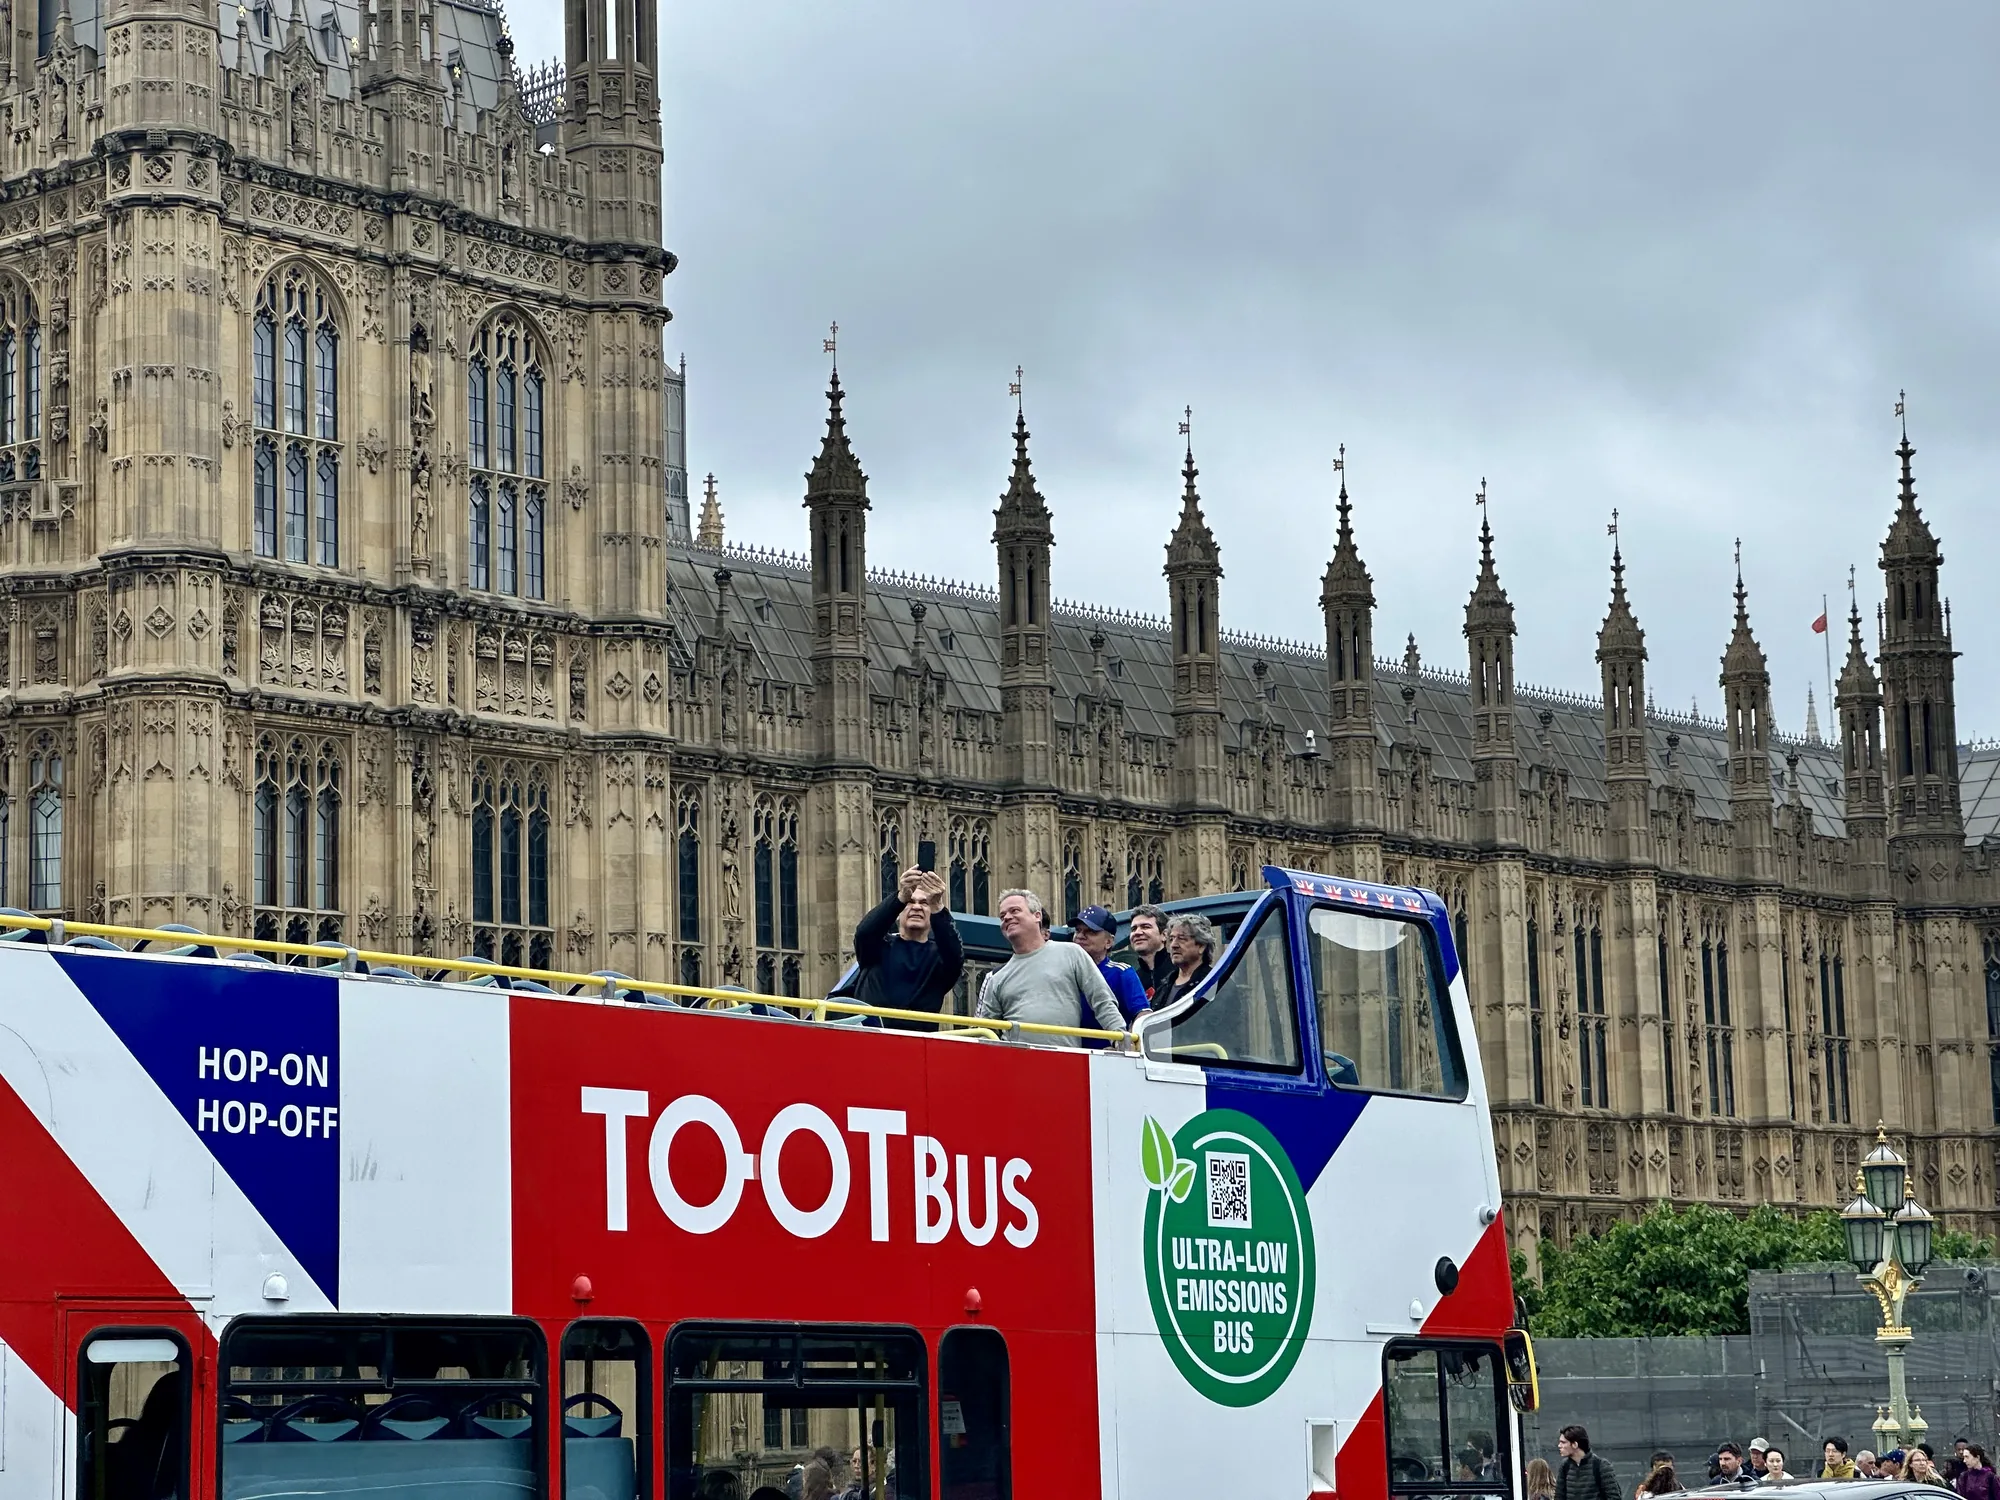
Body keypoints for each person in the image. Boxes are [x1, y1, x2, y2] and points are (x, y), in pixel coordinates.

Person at [975, 889, 1126, 1044]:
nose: (1007, 917)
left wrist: (1120, 1040)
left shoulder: (1071, 953)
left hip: (1066, 1061)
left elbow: (1102, 1000)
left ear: (1037, 916)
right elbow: (984, 1032)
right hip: (1018, 1063)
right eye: (1002, 916)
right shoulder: (996, 978)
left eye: (1015, 911)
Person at [849, 868, 963, 1028]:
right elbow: (864, 932)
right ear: (898, 912)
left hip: (917, 1045)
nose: (916, 907)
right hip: (872, 1039)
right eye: (910, 902)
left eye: (924, 903)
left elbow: (955, 955)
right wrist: (901, 896)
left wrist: (937, 905)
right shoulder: (877, 948)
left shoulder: (939, 959)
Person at [1071, 906, 1151, 1028]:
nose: (1080, 936)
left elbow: (1142, 1015)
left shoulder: (1121, 973)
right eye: (1078, 930)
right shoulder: (1064, 971)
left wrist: (1126, 1044)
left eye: (1091, 932)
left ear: (1108, 942)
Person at [1156, 912, 1219, 1008]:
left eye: (1181, 939)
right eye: (1171, 939)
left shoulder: (1214, 983)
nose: (1173, 945)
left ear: (1201, 945)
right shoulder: (1165, 984)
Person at [1126, 903, 1174, 1003]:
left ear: (1164, 935)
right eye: (1134, 929)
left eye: (1145, 927)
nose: (1137, 932)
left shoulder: (1180, 970)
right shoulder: (1132, 978)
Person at [1556, 1425, 1619, 1500]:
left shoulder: (1601, 1465)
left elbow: (1614, 1497)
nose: (1559, 1446)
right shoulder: (1565, 1466)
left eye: (1563, 1442)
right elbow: (1559, 1496)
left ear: (1575, 1444)